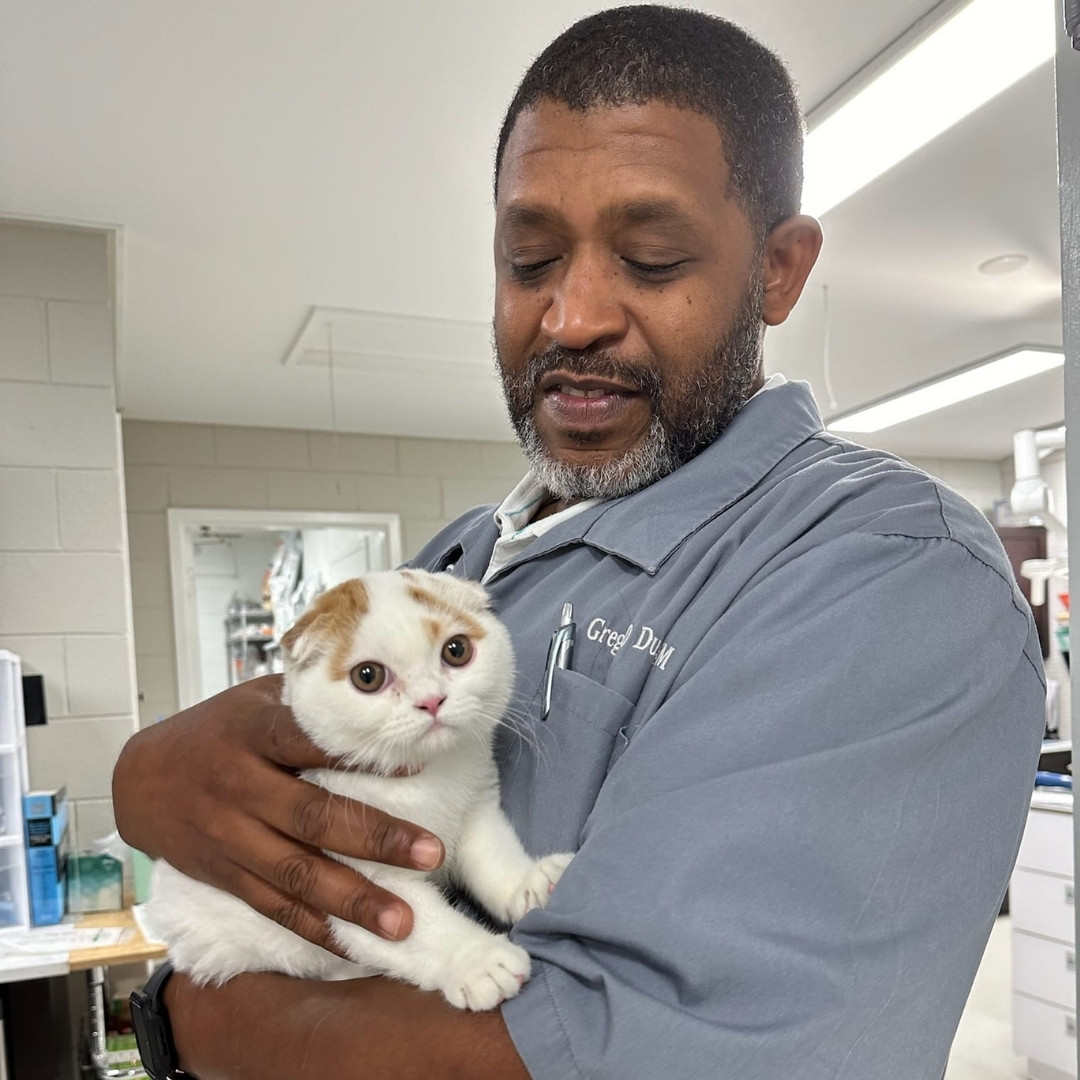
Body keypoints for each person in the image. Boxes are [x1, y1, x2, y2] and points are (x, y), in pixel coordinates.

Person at [113, 7, 1046, 1079]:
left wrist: (188, 1012)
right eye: (530, 257)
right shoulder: (460, 561)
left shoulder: (886, 573)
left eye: (651, 259)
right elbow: (265, 784)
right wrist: (151, 781)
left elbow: (620, 1053)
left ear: (779, 271)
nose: (571, 317)